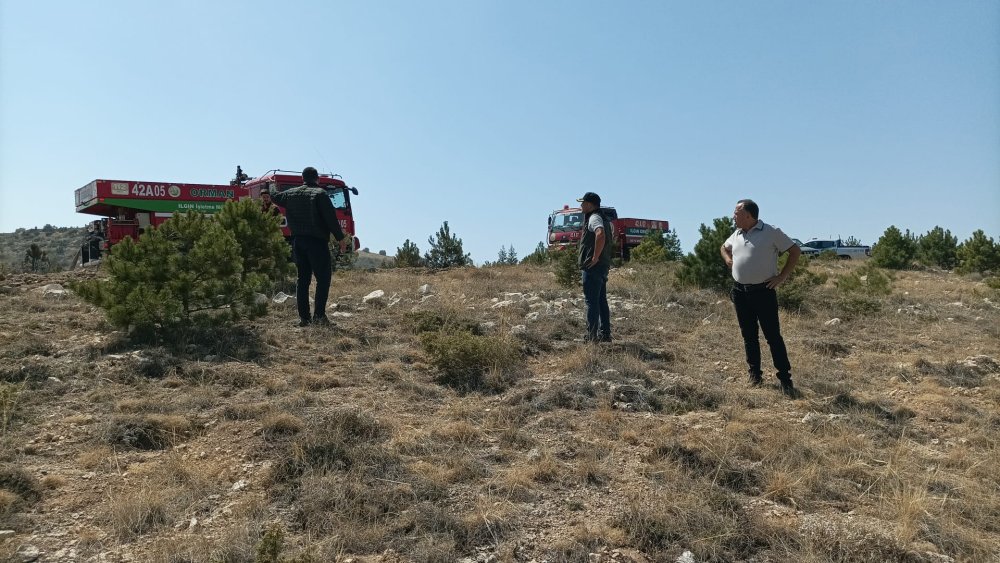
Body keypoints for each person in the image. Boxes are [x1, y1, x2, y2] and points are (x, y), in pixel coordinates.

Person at [721, 199, 801, 396]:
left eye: (736, 212)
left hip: (763, 292)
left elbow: (794, 251)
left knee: (773, 337)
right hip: (740, 292)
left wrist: (782, 276)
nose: (733, 216)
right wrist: (728, 259)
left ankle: (785, 379)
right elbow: (724, 247)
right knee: (749, 336)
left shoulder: (770, 232)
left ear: (748, 215)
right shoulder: (737, 233)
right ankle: (755, 375)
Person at [271, 166, 348, 327]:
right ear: (317, 179)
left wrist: (270, 187)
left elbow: (275, 197)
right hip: (317, 243)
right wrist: (341, 239)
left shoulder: (291, 194)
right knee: (323, 279)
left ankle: (304, 319)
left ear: (302, 179)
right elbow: (331, 219)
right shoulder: (320, 194)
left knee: (303, 280)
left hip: (298, 242)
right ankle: (319, 316)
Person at [578, 192, 613, 342]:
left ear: (590, 204)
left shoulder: (594, 218)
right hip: (602, 265)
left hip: (594, 267)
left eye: (583, 203)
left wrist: (594, 257)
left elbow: (600, 234)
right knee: (600, 300)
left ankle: (592, 336)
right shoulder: (604, 218)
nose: (581, 205)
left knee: (591, 302)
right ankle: (605, 334)